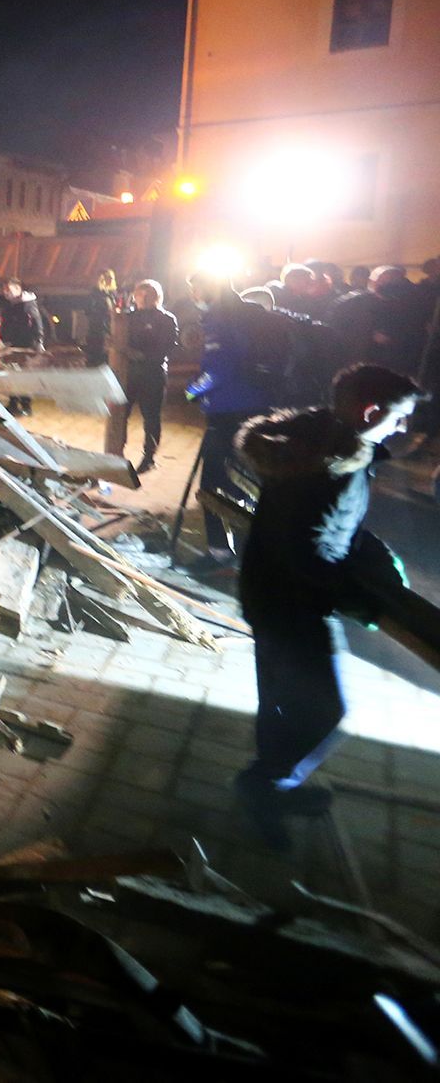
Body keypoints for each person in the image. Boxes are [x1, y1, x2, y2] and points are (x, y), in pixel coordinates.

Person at [232, 363, 420, 847]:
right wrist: (360, 600)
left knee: (279, 701)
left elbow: (332, 526)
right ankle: (264, 785)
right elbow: (309, 549)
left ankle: (270, 783)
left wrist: (374, 554)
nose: (403, 428)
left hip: (268, 593)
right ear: (370, 412)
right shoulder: (334, 465)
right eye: (399, 417)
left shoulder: (316, 442)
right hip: (291, 604)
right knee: (325, 712)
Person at [184, 270, 301, 568]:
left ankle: (220, 553)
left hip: (228, 413)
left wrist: (191, 391)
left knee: (213, 484)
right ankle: (255, 548)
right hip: (258, 408)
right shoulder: (249, 314)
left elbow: (218, 370)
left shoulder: (221, 318)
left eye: (196, 289)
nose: (194, 296)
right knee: (247, 480)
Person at [104, 280, 177, 475]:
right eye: (139, 295)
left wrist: (135, 354)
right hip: (128, 374)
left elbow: (164, 349)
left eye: (147, 295)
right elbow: (117, 340)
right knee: (120, 414)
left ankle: (149, 457)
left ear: (157, 297)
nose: (143, 299)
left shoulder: (166, 320)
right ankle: (116, 452)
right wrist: (112, 341)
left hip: (153, 375)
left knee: (151, 417)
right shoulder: (127, 318)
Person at [0, 278, 46, 413]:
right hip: (10, 345)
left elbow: (37, 323)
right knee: (11, 374)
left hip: (25, 346)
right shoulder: (8, 305)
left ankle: (26, 405)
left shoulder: (28, 305)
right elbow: (5, 325)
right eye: (4, 289)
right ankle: (13, 402)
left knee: (24, 375)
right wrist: (2, 340)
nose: (5, 292)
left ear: (18, 289)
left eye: (8, 289)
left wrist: (39, 341)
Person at [80, 270, 118, 368]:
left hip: (108, 328)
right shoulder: (95, 294)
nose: (111, 280)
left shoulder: (111, 294)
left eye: (112, 278)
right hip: (98, 330)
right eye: (109, 278)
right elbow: (88, 311)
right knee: (97, 355)